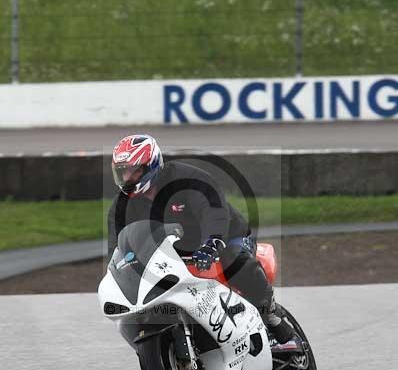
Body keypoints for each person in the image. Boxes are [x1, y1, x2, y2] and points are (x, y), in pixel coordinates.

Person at [107, 134, 294, 343]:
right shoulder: (123, 205)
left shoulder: (186, 179)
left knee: (234, 258)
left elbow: (212, 210)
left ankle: (270, 312)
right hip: (176, 252)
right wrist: (121, 270)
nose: (127, 179)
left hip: (225, 235)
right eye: (122, 173)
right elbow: (118, 245)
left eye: (134, 171)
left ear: (151, 165)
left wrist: (212, 241)